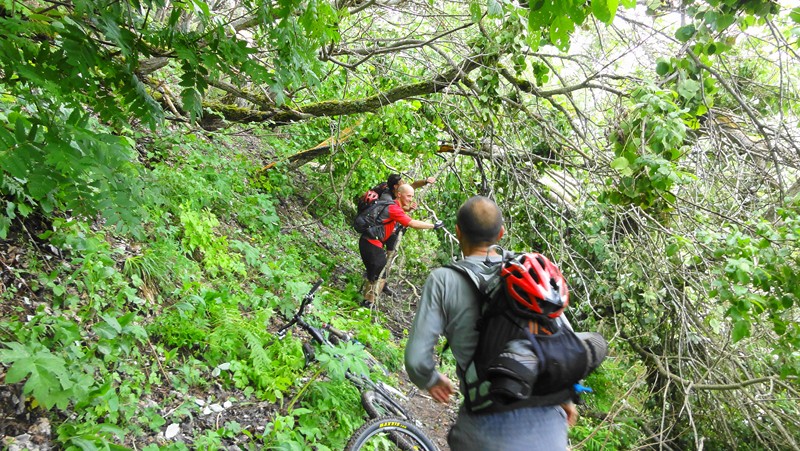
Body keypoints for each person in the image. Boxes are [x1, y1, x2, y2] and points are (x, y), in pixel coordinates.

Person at [404, 196, 581, 450]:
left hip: (484, 432)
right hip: (548, 430)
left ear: (458, 231)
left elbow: (416, 359)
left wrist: (431, 379)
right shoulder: (529, 276)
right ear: (501, 233)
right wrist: (565, 396)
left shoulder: (443, 280)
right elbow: (566, 341)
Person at [359, 183, 442, 307]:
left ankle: (366, 302)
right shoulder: (393, 209)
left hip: (368, 242)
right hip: (372, 244)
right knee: (380, 276)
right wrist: (434, 226)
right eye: (408, 196)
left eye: (412, 196)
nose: (411, 199)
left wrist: (407, 209)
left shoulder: (392, 206)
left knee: (374, 275)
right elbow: (412, 223)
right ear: (399, 194)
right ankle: (369, 304)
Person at [375, 173, 436, 297]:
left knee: (390, 255)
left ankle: (383, 282)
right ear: (396, 188)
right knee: (379, 258)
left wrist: (425, 181)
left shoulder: (400, 191)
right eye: (402, 183)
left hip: (394, 229)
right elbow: (396, 213)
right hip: (383, 230)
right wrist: (407, 209)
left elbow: (413, 185)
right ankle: (375, 283)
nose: (404, 184)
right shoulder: (386, 198)